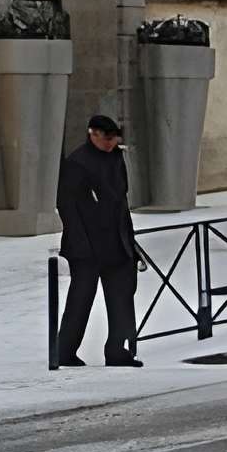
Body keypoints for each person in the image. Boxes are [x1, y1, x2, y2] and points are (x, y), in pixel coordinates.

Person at [55, 113, 142, 367]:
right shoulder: (77, 163)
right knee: (80, 300)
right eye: (107, 139)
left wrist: (129, 241)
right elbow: (67, 207)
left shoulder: (116, 158)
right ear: (92, 134)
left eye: (115, 139)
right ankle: (64, 351)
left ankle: (117, 350)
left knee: (122, 298)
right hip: (87, 247)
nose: (111, 144)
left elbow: (121, 201)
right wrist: (82, 246)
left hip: (116, 242)